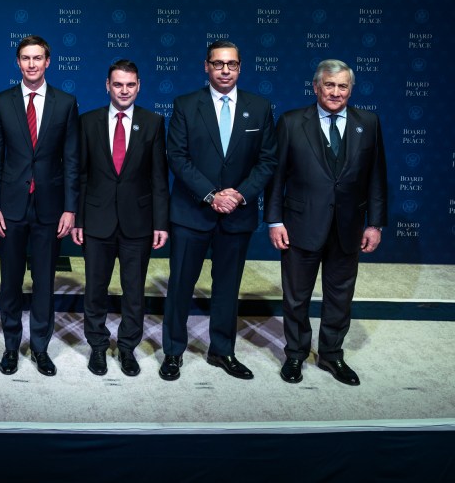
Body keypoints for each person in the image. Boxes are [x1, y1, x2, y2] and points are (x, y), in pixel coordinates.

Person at [160, 40, 277, 381]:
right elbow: (177, 157)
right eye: (218, 64)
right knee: (181, 285)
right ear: (206, 66)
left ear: (240, 68)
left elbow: (267, 160)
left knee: (228, 287)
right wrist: (212, 195)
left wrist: (238, 195)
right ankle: (173, 352)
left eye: (232, 64)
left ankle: (222, 351)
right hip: (191, 213)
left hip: (237, 214)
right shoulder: (185, 104)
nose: (225, 70)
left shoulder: (259, 107)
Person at [265, 59, 386, 386]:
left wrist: (374, 223)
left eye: (342, 86)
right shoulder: (291, 122)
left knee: (340, 296)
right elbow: (276, 179)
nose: (335, 92)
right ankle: (295, 354)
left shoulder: (369, 122)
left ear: (350, 89)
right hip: (300, 225)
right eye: (329, 85)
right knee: (296, 296)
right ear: (316, 87)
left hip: (348, 228)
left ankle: (332, 355)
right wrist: (274, 220)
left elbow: (376, 177)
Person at [0, 35, 80, 377]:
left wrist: (71, 208)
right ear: (18, 62)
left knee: (44, 281)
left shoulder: (66, 102)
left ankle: (40, 347)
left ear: (48, 61)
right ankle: (12, 346)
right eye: (25, 58)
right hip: (9, 208)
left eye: (38, 58)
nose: (31, 64)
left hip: (50, 208)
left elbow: (71, 159)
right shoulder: (1, 101)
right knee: (10, 280)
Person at [72, 59, 168, 377]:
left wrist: (160, 223)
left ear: (138, 86)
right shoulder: (88, 122)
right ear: (107, 86)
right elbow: (81, 176)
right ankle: (98, 347)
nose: (124, 90)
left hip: (138, 223)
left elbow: (158, 178)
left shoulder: (153, 122)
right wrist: (79, 220)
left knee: (134, 290)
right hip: (97, 222)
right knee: (95, 289)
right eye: (118, 84)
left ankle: (127, 348)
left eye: (130, 85)